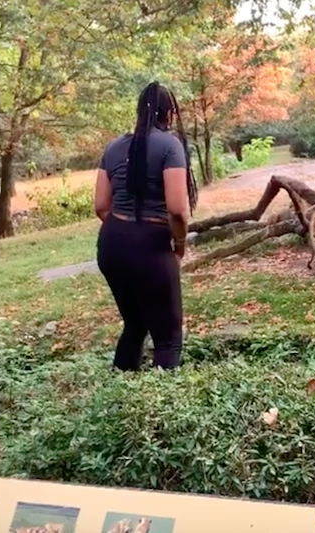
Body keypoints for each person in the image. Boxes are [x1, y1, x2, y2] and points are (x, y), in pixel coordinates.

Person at [93, 81, 198, 371]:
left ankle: (122, 390)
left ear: (139, 111)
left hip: (111, 245)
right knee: (168, 336)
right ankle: (163, 407)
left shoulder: (114, 146)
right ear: (169, 115)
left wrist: (123, 232)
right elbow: (177, 209)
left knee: (135, 323)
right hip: (151, 245)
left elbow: (101, 205)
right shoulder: (170, 145)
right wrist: (178, 245)